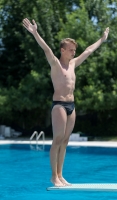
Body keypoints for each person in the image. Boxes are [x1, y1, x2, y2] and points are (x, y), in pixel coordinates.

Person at [22, 18, 109, 187]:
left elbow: (89, 50)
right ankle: (53, 176)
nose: (74, 52)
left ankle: (61, 175)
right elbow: (46, 48)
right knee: (58, 139)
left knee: (65, 141)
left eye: (74, 50)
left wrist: (102, 39)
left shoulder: (74, 64)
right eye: (71, 50)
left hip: (72, 106)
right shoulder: (55, 63)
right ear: (62, 50)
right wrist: (35, 32)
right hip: (59, 105)